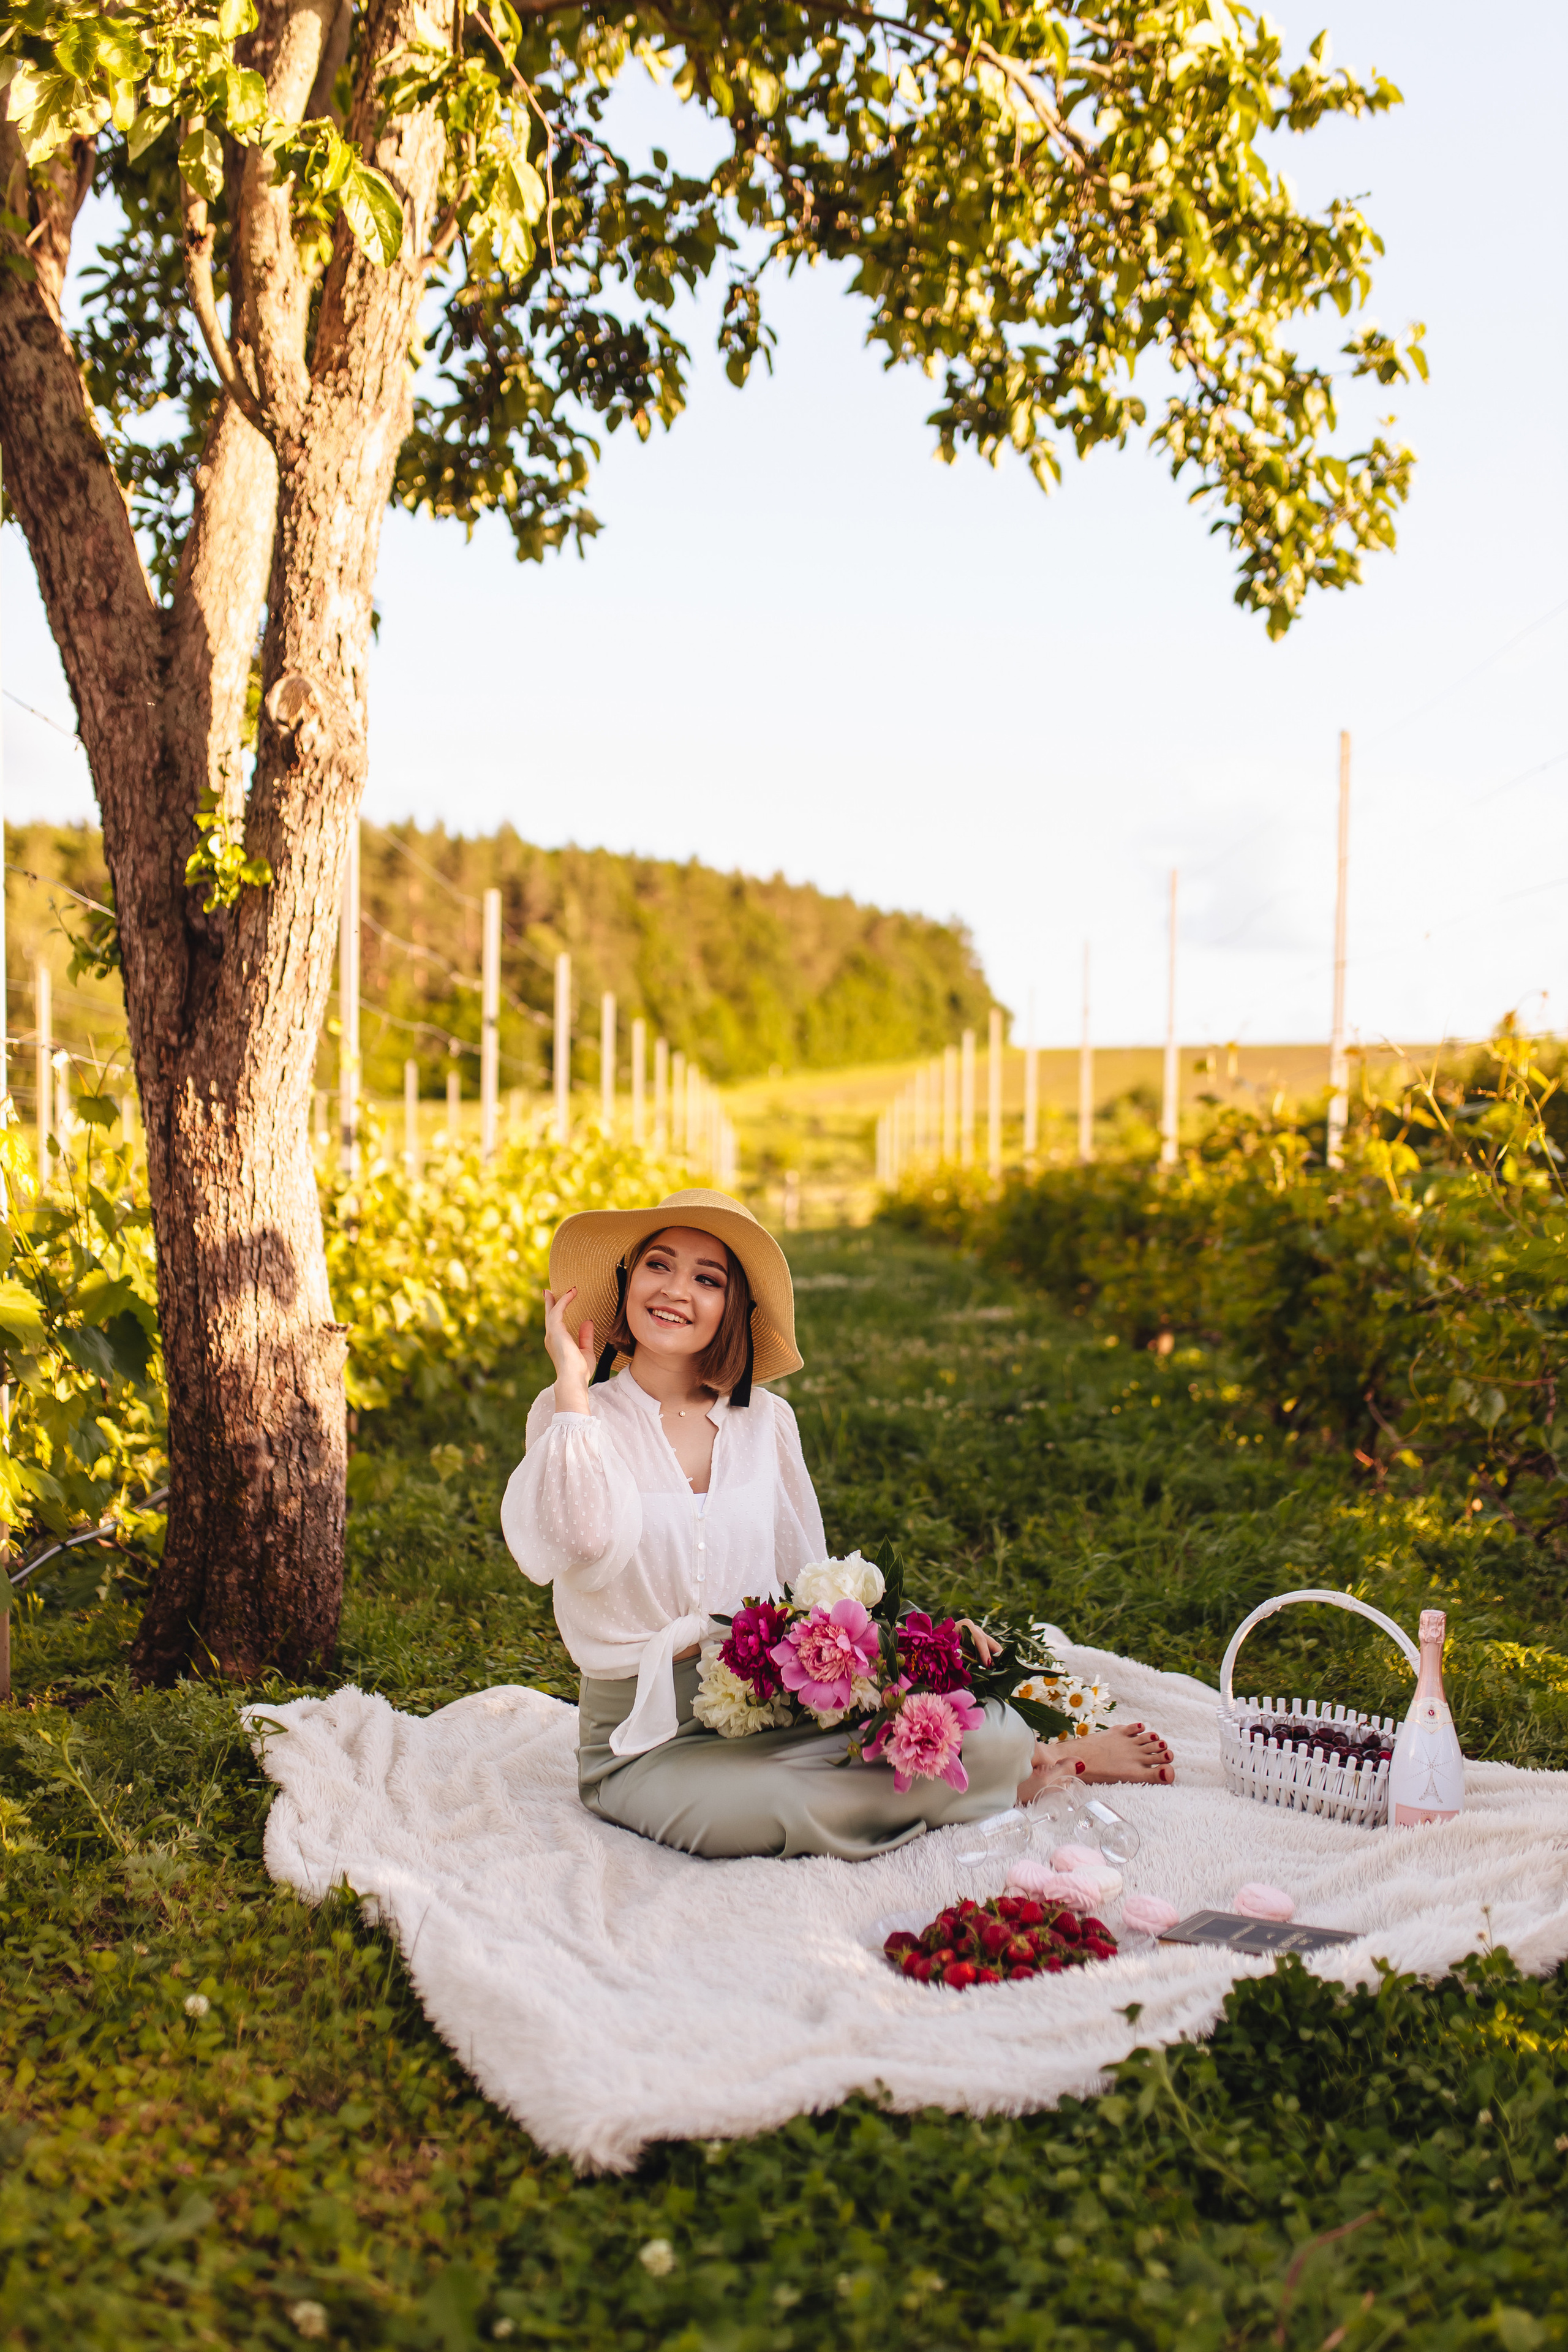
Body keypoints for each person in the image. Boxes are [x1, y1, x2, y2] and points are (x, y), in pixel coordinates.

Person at [501, 1187, 1174, 1861]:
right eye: (658, 1265)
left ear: (732, 1308)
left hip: (772, 1703)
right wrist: (570, 1382)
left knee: (986, 1732)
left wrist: (914, 1644)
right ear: (625, 1283)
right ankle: (1008, 1781)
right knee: (771, 1807)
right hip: (642, 1739)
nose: (677, 1290)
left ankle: (1028, 1758)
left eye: (708, 1279)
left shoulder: (765, 1422)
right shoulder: (573, 1421)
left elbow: (806, 1580)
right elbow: (578, 1542)